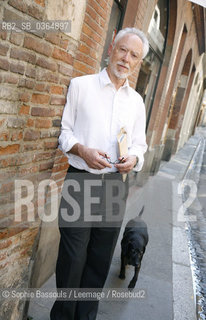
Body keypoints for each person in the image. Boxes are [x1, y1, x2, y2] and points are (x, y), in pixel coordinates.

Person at [50, 27, 149, 320]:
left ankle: (86, 317)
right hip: (80, 181)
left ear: (138, 62)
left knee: (99, 259)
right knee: (72, 258)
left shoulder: (138, 102)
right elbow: (64, 133)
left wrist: (134, 158)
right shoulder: (80, 86)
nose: (126, 59)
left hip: (114, 188)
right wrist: (82, 150)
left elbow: (140, 146)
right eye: (122, 50)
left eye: (134, 55)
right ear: (110, 49)